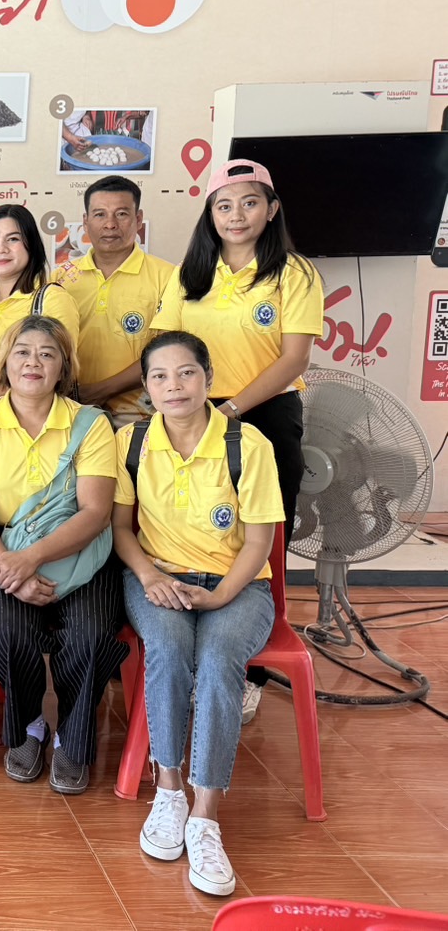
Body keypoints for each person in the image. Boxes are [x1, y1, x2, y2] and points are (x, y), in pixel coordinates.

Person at [113, 331, 282, 897]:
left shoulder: (248, 445)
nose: (174, 386)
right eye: (159, 376)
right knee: (166, 649)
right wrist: (150, 577)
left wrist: (220, 595)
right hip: (157, 577)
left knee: (217, 660)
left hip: (240, 586)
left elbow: (259, 543)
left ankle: (205, 816)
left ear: (208, 378)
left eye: (186, 373)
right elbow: (120, 530)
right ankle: (168, 791)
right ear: (146, 387)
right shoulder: (132, 442)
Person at [153, 159, 322, 723]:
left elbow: (293, 359)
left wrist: (228, 411)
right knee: (188, 529)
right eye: (223, 205)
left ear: (271, 210)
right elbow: (165, 346)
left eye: (249, 202)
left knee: (260, 542)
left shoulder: (294, 274)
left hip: (264, 415)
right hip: (189, 412)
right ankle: (188, 653)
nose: (236, 215)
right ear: (210, 214)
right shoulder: (191, 273)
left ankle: (249, 670)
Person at [0, 315, 125, 795]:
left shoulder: (91, 424)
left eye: (47, 354)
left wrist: (31, 560)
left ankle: (72, 735)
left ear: (63, 368)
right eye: (23, 352)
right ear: (5, 362)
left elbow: (96, 513)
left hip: (80, 551)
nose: (34, 362)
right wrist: (9, 565)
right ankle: (29, 725)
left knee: (91, 634)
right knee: (10, 632)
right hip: (0, 546)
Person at [54, 176, 174, 424]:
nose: (110, 224)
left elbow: (167, 351)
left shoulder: (168, 277)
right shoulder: (60, 279)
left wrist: (101, 390)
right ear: (85, 222)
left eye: (121, 214)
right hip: (70, 413)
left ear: (138, 219)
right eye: (100, 214)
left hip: (142, 417)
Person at [0, 204, 81, 409]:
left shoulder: (51, 299)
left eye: (13, 239)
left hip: (22, 418)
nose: (0, 249)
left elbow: (57, 370)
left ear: (31, 245)